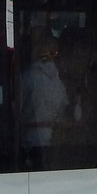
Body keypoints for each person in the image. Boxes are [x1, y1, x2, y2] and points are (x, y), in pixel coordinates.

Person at [20, 34, 69, 169]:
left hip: (48, 143)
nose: (52, 56)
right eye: (50, 51)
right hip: (35, 143)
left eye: (55, 52)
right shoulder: (30, 76)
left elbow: (62, 110)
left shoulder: (58, 80)